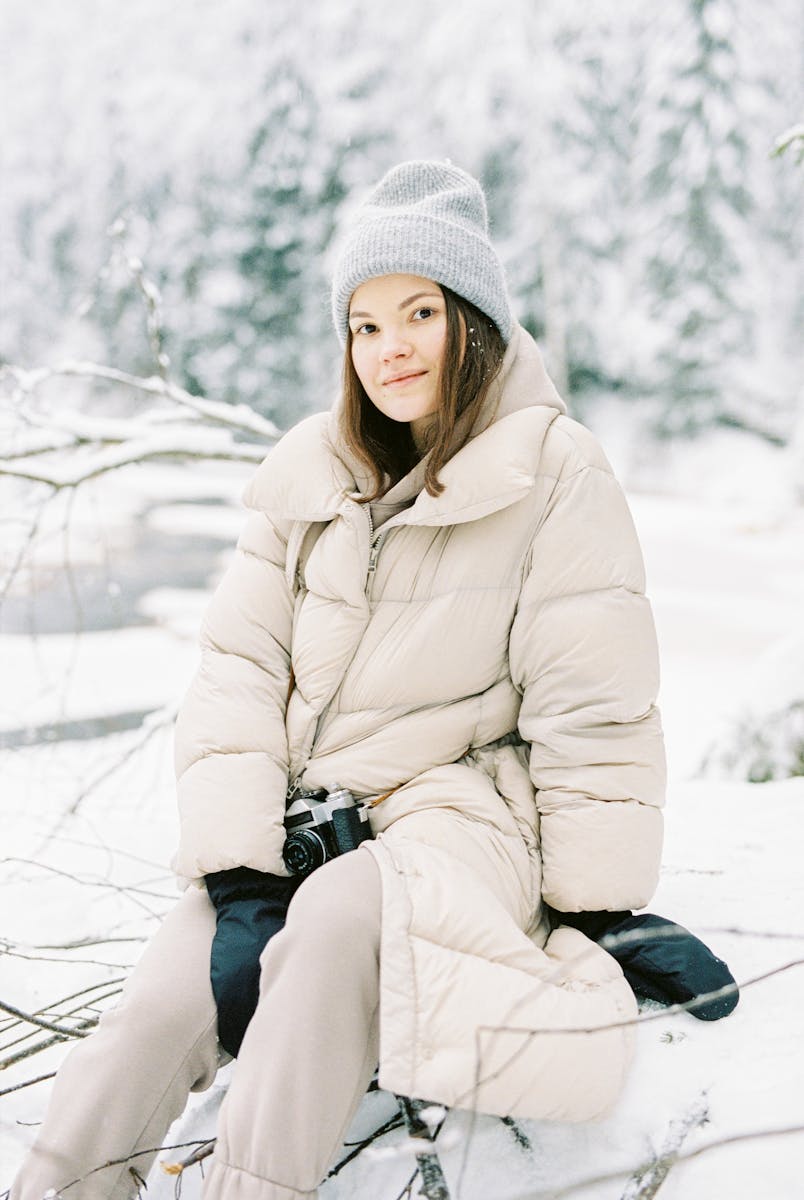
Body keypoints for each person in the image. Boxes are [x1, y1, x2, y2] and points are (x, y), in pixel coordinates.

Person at [10, 160, 736, 1200]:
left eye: (419, 314)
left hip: (463, 815)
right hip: (309, 822)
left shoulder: (556, 469)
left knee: (341, 921)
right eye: (364, 324)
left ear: (473, 321)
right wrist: (242, 877)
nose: (389, 346)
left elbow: (594, 709)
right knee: (160, 1010)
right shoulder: (308, 475)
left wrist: (598, 905)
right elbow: (236, 679)